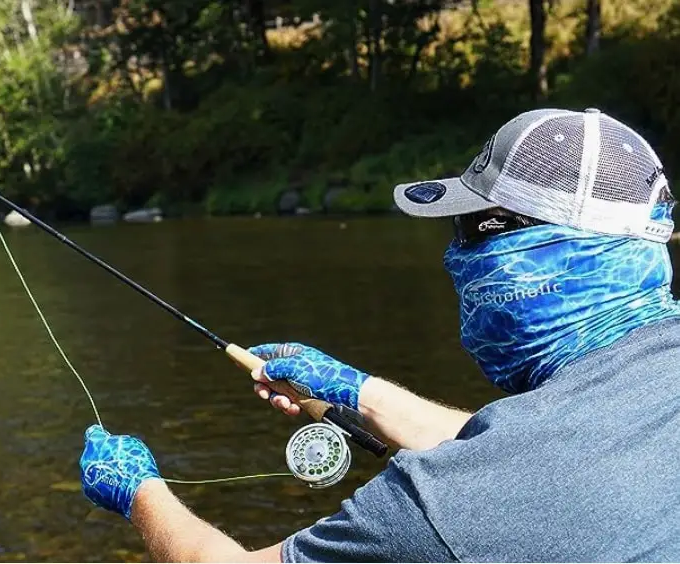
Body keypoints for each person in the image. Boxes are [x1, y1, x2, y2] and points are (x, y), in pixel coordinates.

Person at [78, 108, 680, 562]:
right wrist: (357, 391)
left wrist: (141, 492)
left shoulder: (448, 511)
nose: (454, 255)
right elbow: (538, 451)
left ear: (545, 258)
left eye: (471, 231)